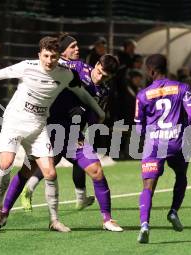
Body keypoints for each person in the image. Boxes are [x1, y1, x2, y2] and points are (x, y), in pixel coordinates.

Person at [0, 36, 105, 233]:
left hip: (38, 128)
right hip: (14, 124)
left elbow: (82, 94)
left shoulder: (65, 74)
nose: (49, 61)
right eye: (46, 56)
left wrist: (99, 111)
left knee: (50, 173)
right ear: (39, 55)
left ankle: (54, 221)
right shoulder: (26, 67)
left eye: (53, 57)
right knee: (6, 163)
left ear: (58, 57)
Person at [18, 35, 123, 232]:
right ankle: (4, 208)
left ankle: (102, 215)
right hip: (51, 125)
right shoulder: (77, 68)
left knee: (86, 167)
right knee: (43, 164)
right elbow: (51, 63)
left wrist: (88, 122)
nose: (100, 77)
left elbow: (95, 116)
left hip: (75, 131)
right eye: (99, 71)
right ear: (97, 64)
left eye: (106, 76)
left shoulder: (104, 91)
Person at [134, 54, 191, 244]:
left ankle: (144, 225)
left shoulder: (142, 95)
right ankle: (173, 211)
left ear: (150, 70)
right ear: (166, 67)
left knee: (148, 187)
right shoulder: (183, 88)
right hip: (177, 142)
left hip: (154, 144)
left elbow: (138, 127)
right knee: (181, 176)